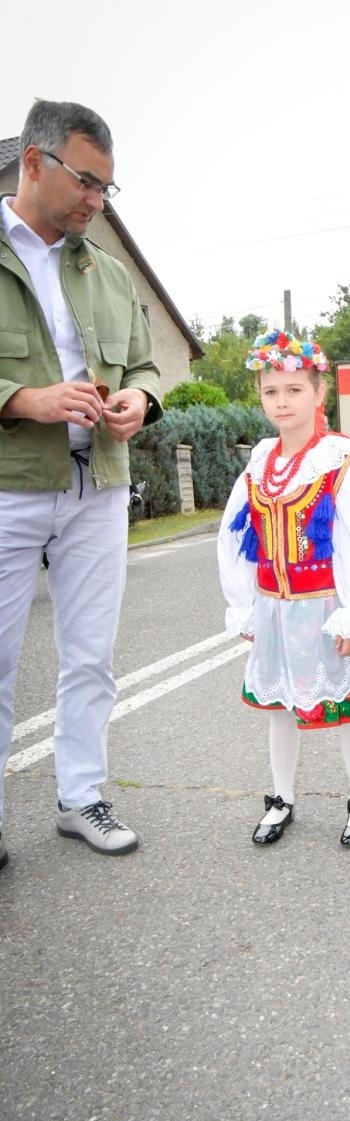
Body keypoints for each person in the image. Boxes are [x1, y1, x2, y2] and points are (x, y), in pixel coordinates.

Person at [0, 100, 162, 869]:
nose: (97, 201)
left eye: (106, 187)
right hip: (9, 485)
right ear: (34, 163)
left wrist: (139, 399)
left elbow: (147, 364)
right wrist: (22, 399)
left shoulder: (108, 270)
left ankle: (81, 796)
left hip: (97, 485)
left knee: (91, 656)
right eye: (87, 182)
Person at [217, 330, 350, 848]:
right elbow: (235, 539)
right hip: (274, 609)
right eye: (271, 391)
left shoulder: (340, 464)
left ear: (319, 393)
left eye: (294, 389)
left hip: (327, 608)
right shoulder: (258, 466)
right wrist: (243, 606)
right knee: (280, 708)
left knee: (349, 710)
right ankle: (281, 798)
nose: (282, 401)